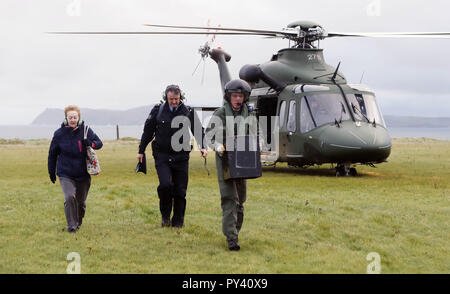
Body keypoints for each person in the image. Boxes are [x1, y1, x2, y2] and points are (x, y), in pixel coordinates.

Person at [137, 84, 207, 228]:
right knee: (165, 185)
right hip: (162, 156)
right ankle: (165, 216)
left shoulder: (188, 111)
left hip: (181, 157)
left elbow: (198, 130)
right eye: (171, 99)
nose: (174, 102)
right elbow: (148, 131)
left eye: (176, 99)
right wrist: (141, 150)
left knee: (180, 191)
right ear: (166, 97)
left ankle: (178, 221)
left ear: (180, 97)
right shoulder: (158, 110)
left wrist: (203, 147)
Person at [206, 79, 255, 251]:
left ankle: (235, 231)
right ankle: (231, 239)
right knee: (229, 199)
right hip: (225, 160)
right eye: (234, 95)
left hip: (244, 160)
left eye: (240, 95)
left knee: (241, 200)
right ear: (229, 96)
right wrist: (217, 146)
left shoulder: (249, 113)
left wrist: (261, 144)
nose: (238, 99)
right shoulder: (219, 113)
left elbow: (257, 132)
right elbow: (208, 136)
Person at [48, 105, 103, 233]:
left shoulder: (86, 130)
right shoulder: (58, 134)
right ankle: (71, 226)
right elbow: (52, 154)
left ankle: (78, 222)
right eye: (70, 117)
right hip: (65, 173)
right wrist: (51, 171)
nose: (72, 119)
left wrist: (90, 143)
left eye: (75, 117)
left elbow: (99, 143)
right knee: (69, 197)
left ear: (78, 118)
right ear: (66, 119)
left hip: (83, 173)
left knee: (81, 202)